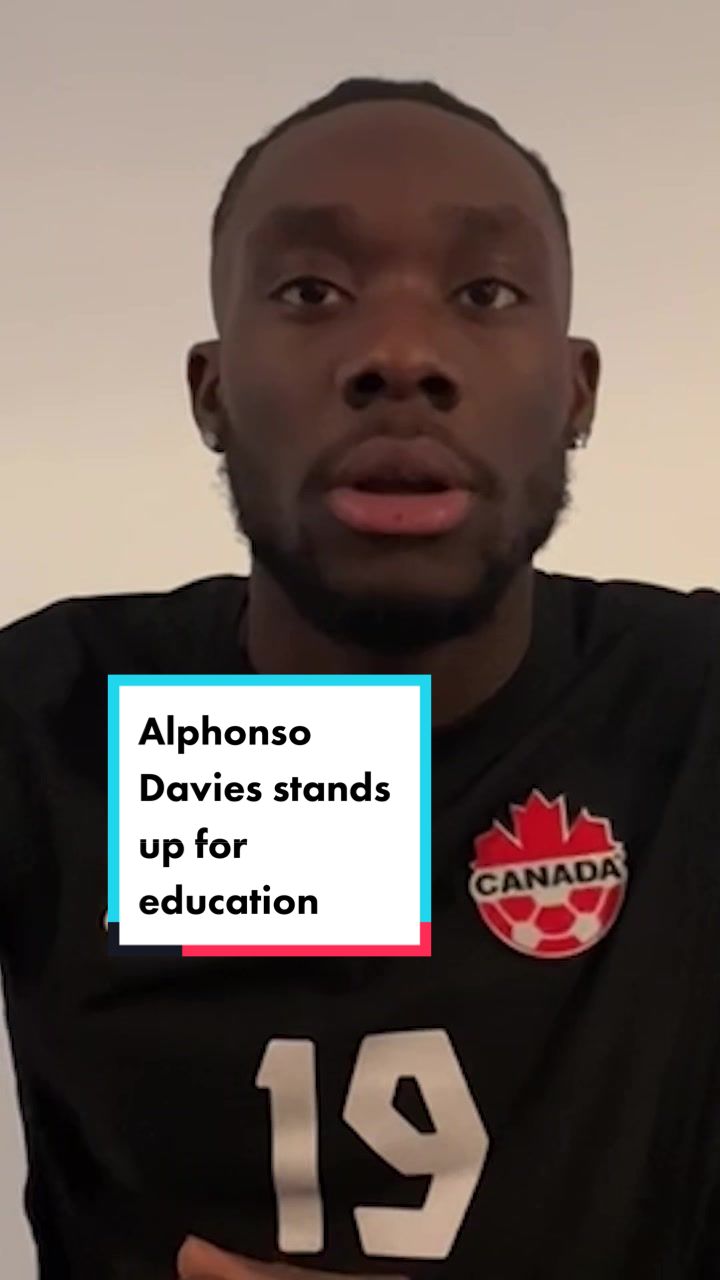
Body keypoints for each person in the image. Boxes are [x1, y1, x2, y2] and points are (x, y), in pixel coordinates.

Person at [0, 74, 718, 1280]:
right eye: (310, 292)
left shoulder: (694, 708)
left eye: (485, 293)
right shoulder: (46, 720)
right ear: (212, 392)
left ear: (577, 391)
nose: (399, 353)